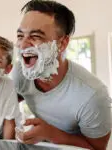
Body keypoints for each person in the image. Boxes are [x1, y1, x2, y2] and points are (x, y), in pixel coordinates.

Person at [12, 0, 112, 149]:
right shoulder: (20, 72)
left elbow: (98, 147)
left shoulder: (93, 95)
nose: (23, 45)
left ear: (62, 44)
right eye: (20, 36)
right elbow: (6, 100)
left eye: (36, 36)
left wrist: (50, 134)